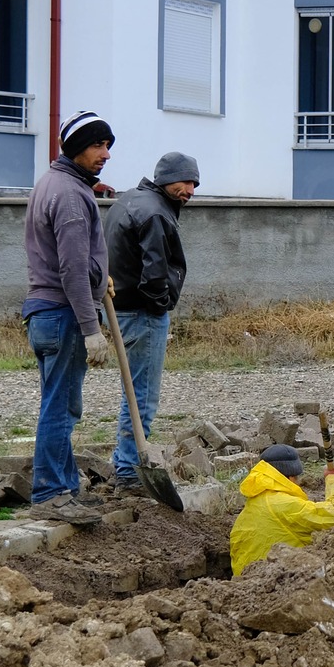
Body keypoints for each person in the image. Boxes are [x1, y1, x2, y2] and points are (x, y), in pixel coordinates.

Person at [23, 110, 115, 519]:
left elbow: (78, 263)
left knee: (57, 404)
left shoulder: (51, 183)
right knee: (60, 407)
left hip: (45, 313)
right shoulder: (72, 195)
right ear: (77, 147)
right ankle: (50, 495)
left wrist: (100, 277)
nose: (106, 154)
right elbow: (72, 268)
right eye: (98, 145)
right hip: (63, 315)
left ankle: (65, 488)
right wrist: (91, 328)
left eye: (108, 145)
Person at [104, 152, 200, 490]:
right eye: (185, 181)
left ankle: (124, 464)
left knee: (133, 392)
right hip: (142, 313)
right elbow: (154, 274)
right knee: (142, 396)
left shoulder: (130, 200)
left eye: (194, 183)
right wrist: (161, 306)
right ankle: (129, 472)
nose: (190, 189)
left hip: (121, 308)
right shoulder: (156, 213)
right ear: (165, 179)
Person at [230, 444, 334, 575]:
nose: (299, 483)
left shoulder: (254, 504)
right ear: (291, 477)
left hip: (247, 583)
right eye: (297, 478)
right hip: (278, 584)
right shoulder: (282, 504)